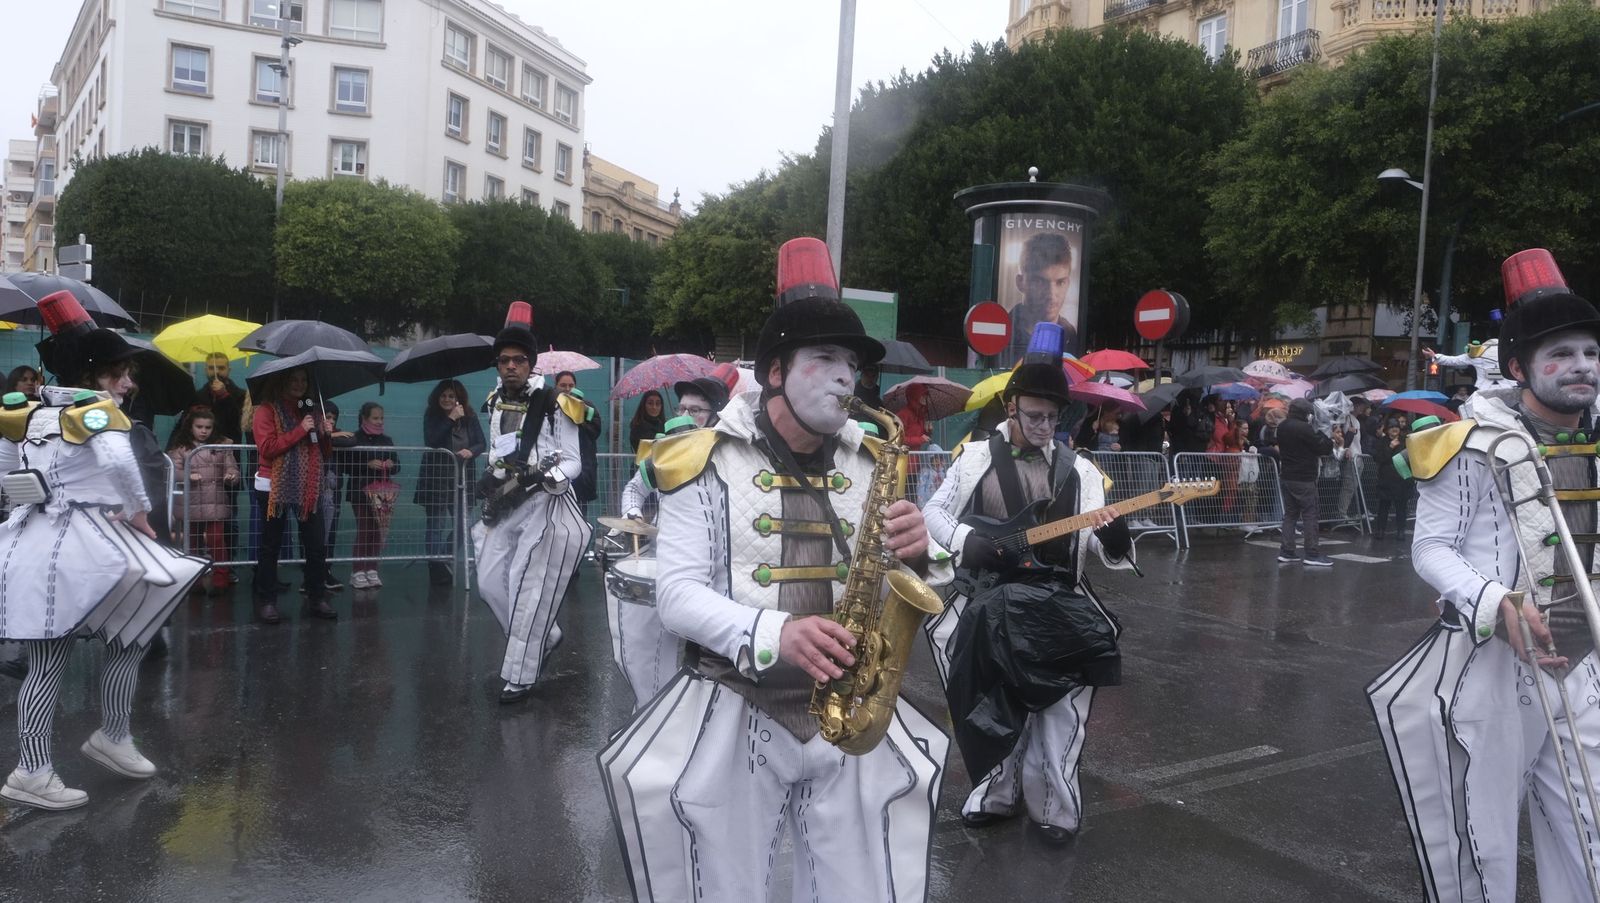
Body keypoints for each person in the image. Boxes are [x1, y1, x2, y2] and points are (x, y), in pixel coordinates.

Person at [600, 238, 951, 903]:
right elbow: (677, 596)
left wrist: (918, 554)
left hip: (851, 711)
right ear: (775, 370)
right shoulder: (701, 458)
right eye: (825, 359)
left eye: (852, 364)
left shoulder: (872, 461)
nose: (846, 379)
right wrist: (776, 633)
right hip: (737, 703)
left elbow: (893, 588)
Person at [1370, 249, 1600, 902]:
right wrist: (1495, 600)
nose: (1582, 365)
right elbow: (1431, 549)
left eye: (1591, 352)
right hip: (1489, 667)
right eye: (1561, 354)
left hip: (1582, 667)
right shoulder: (1466, 443)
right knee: (1480, 846)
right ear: (1519, 367)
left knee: (1591, 835)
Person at [922, 321, 1132, 843]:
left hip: (1057, 602)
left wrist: (1113, 537)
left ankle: (1055, 810)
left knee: (1060, 714)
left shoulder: (1081, 472)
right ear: (1011, 408)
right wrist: (967, 541)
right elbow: (933, 514)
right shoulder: (973, 459)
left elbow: (1096, 542)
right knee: (988, 704)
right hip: (985, 600)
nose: (1044, 426)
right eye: (1035, 415)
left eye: (1053, 417)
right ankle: (994, 794)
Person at [0, 291, 206, 810]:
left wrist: (35, 496)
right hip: (83, 543)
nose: (129, 383)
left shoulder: (25, 412)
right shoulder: (97, 411)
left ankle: (112, 736)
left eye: (128, 374)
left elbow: (6, 473)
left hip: (42, 541)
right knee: (60, 658)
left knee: (129, 635)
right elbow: (120, 464)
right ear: (93, 375)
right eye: (120, 373)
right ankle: (31, 771)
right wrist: (137, 511)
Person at [472, 302, 591, 704]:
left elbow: (573, 461)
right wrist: (492, 476)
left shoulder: (558, 402)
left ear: (531, 363)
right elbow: (499, 451)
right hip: (508, 500)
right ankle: (545, 637)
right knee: (489, 582)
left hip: (548, 504)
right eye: (504, 360)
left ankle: (521, 674)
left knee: (529, 586)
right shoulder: (494, 400)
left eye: (519, 360)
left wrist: (547, 477)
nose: (511, 366)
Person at [251, 367, 337, 624]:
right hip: (273, 485)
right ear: (282, 381)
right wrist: (300, 429)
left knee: (315, 544)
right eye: (293, 380)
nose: (299, 384)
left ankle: (316, 596)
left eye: (303, 380)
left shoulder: (311, 410)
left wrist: (326, 435)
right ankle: (267, 601)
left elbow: (323, 452)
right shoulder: (266, 411)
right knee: (271, 546)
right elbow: (267, 448)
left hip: (308, 486)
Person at [418, 379, 485, 586]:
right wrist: (450, 418)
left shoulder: (470, 417)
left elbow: (481, 443)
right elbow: (432, 440)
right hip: (437, 477)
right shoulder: (432, 415)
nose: (447, 399)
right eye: (443, 396)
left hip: (463, 477)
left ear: (459, 398)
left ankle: (445, 555)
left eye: (451, 396)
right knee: (436, 524)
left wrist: (471, 451)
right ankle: (435, 566)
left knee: (464, 524)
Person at [167, 406, 240, 594]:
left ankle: (220, 579)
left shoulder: (222, 446)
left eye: (208, 427)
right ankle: (195, 581)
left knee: (216, 539)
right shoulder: (180, 447)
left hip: (214, 499)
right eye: (199, 427)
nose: (203, 431)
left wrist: (231, 476)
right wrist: (187, 476)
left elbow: (232, 468)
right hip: (191, 500)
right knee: (193, 542)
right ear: (190, 427)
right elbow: (174, 471)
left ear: (213, 428)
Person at [1004, 231, 1081, 364]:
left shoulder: (1070, 334)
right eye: (1040, 282)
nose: (1051, 294)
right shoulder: (1004, 331)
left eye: (1060, 282)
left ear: (1068, 283)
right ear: (1020, 282)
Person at [1276, 397, 1336, 566]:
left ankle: (1287, 551)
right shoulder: (1304, 428)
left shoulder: (1282, 426)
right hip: (1304, 477)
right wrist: (1325, 433)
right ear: (1305, 413)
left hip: (1287, 475)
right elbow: (1322, 448)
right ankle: (1312, 553)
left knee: (1290, 514)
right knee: (1310, 514)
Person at [345, 402, 398, 590]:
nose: (379, 421)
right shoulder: (354, 439)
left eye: (381, 418)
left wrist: (391, 464)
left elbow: (397, 465)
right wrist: (367, 464)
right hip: (360, 492)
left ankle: (372, 568)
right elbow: (346, 466)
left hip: (382, 494)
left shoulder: (387, 440)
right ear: (364, 418)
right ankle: (358, 570)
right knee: (364, 529)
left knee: (377, 531)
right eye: (375, 418)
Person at [1370, 421, 1413, 540]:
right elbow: (1379, 458)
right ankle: (1380, 530)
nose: (1394, 429)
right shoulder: (1382, 442)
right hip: (1386, 480)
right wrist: (1390, 447)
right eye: (1391, 427)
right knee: (1383, 507)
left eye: (1396, 427)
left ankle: (1401, 531)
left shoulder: (1405, 441)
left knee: (1401, 508)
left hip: (1402, 479)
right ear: (1387, 430)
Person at [1423, 337, 1512, 392]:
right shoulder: (1511, 353)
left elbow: (1454, 360)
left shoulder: (1478, 352)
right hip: (1509, 388)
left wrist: (1434, 356)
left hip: (1484, 390)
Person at [627, 389, 665, 454]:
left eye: (658, 404)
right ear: (643, 405)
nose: (654, 407)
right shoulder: (638, 427)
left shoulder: (664, 426)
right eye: (650, 403)